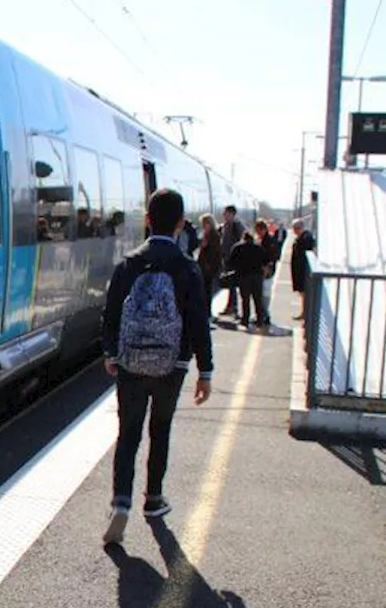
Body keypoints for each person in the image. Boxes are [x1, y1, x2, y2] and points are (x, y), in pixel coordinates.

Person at [100, 188, 214, 545]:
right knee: (160, 430)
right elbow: (198, 321)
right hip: (172, 365)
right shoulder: (187, 267)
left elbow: (112, 314)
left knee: (128, 432)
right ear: (181, 224)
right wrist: (204, 370)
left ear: (147, 220)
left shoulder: (129, 263)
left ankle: (121, 501)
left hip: (131, 364)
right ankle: (153, 499)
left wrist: (110, 354)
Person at [228, 230, 269, 328]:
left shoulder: (237, 247)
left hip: (243, 276)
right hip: (257, 276)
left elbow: (231, 263)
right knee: (257, 299)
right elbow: (266, 261)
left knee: (245, 299)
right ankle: (260, 320)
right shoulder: (258, 247)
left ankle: (245, 320)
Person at [218, 205, 244, 316]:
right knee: (230, 284)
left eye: (226, 213)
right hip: (226, 258)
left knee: (233, 284)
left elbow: (240, 242)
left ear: (232, 214)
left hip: (233, 259)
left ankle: (233, 308)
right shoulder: (225, 226)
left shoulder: (236, 226)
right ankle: (230, 307)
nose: (224, 215)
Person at [290, 218, 316, 320]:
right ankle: (304, 313)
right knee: (302, 294)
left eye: (296, 228)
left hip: (303, 271)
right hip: (299, 270)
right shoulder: (301, 237)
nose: (295, 231)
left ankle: (306, 315)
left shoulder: (306, 238)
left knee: (305, 294)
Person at [197, 213, 222, 319]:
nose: (203, 226)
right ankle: (206, 312)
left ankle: (207, 313)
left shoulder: (213, 236)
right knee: (206, 290)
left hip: (208, 268)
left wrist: (204, 246)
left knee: (207, 291)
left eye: (204, 224)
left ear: (209, 223)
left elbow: (214, 252)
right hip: (206, 267)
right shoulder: (208, 235)